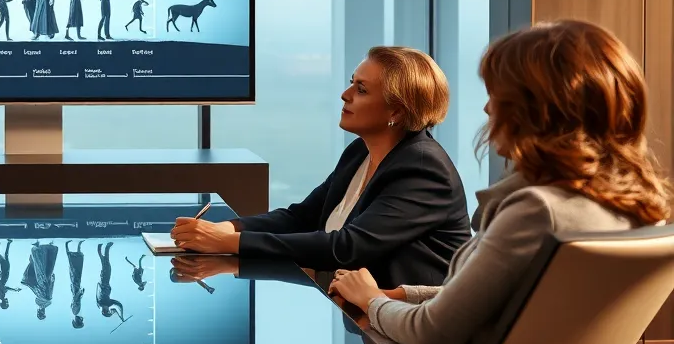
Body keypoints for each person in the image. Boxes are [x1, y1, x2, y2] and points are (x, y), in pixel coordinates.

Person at [331, 20, 672, 344]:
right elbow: (505, 298)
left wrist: (371, 301)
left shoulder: (536, 213)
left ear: (538, 108)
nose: (487, 107)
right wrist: (404, 294)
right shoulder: (633, 206)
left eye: (498, 95)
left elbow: (431, 335)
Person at [170, 46, 470, 288]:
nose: (345, 94)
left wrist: (229, 242)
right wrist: (227, 227)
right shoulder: (360, 152)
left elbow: (347, 248)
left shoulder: (422, 168)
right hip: (362, 312)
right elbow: (301, 217)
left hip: (409, 332)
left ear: (396, 110)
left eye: (361, 89)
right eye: (352, 82)